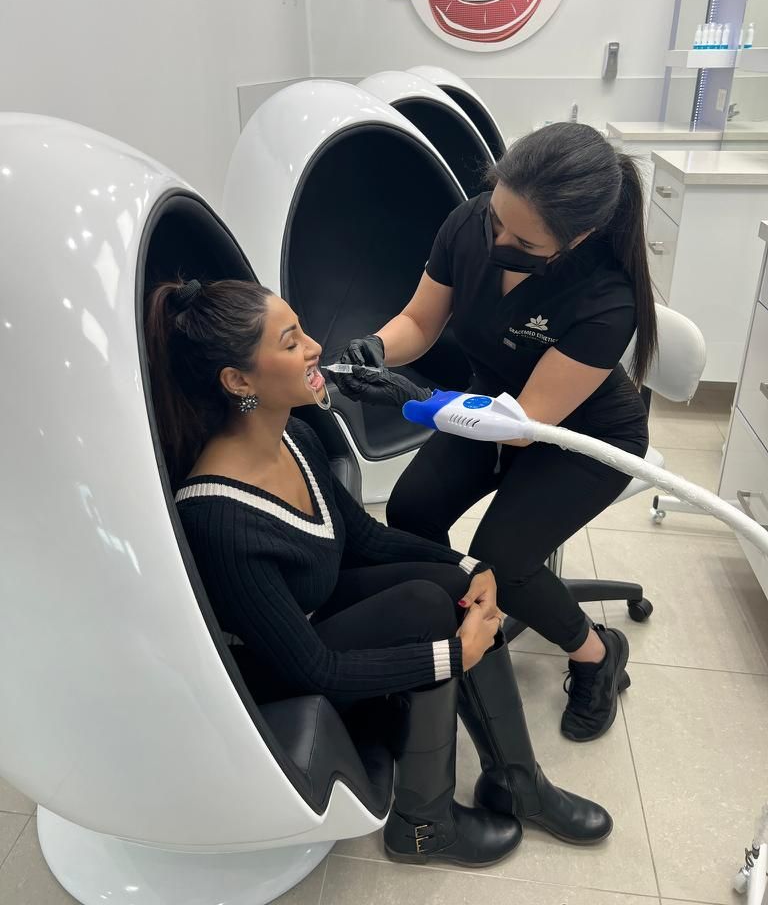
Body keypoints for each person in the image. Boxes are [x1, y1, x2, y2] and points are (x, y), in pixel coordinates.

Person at [144, 276, 612, 869]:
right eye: (290, 343)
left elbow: (362, 537)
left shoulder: (296, 436)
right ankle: (423, 827)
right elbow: (313, 666)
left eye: (303, 331)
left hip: (314, 615)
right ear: (238, 381)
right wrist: (455, 655)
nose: (314, 348)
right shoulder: (219, 517)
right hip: (275, 671)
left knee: (450, 589)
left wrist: (471, 566)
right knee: (429, 615)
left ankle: (517, 783)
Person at [332, 122, 656, 743]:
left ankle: (596, 654)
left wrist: (422, 402)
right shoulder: (470, 222)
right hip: (488, 406)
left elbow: (524, 428)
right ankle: (443, 625)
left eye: (522, 239)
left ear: (577, 238)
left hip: (579, 436)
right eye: (496, 220)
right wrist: (379, 346)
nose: (498, 238)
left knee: (506, 561)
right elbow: (420, 322)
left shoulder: (605, 300)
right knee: (411, 511)